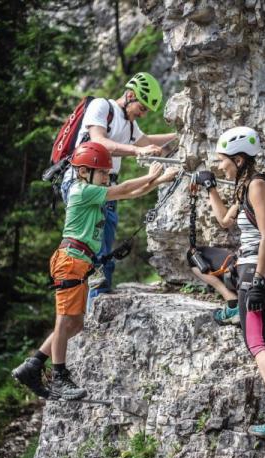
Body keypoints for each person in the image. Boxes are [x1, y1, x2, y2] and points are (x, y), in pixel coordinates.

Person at [12, 142, 178, 400]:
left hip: (80, 262)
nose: (105, 177)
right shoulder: (82, 191)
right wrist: (151, 175)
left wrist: (161, 180)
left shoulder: (93, 189)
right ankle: (59, 377)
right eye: (101, 172)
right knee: (65, 320)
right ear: (82, 172)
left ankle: (33, 366)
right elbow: (123, 188)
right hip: (71, 261)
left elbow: (129, 194)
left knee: (76, 323)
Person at [192, 126, 265, 440]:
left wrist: (258, 280)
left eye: (224, 161)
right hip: (247, 268)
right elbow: (225, 221)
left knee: (258, 343)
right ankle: (234, 308)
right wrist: (211, 188)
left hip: (255, 270)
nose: (221, 166)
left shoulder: (257, 186)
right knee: (197, 258)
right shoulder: (244, 187)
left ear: (240, 159)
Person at [60, 72, 177, 307]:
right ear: (130, 95)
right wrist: (136, 152)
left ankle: (98, 297)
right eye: (142, 108)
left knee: (106, 242)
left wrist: (181, 135)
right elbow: (99, 142)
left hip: (106, 185)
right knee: (93, 244)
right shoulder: (101, 107)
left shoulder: (131, 126)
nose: (142, 114)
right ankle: (91, 301)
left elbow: (149, 142)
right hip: (83, 182)